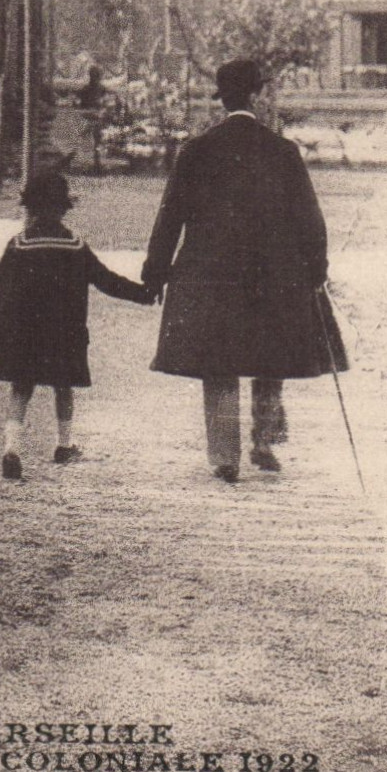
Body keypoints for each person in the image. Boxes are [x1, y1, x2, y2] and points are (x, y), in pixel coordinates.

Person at [142, 59, 347, 484]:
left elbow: (169, 217)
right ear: (256, 95)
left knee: (218, 359)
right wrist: (316, 268)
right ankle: (264, 439)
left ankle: (224, 456)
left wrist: (155, 272)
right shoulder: (283, 151)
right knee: (270, 351)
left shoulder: (195, 151)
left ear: (223, 99)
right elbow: (310, 218)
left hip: (210, 271)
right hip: (274, 270)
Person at [0, 174, 154, 481]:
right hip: (65, 335)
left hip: (25, 335)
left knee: (21, 389)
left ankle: (12, 449)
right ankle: (64, 445)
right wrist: (143, 293)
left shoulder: (19, 245)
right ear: (64, 209)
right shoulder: (75, 246)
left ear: (30, 208)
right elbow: (106, 280)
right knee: (63, 388)